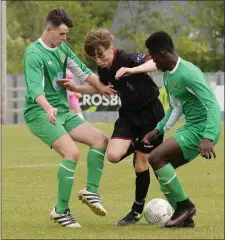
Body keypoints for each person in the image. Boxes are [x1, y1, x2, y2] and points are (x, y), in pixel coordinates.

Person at [23, 8, 117, 228]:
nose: (65, 38)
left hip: (63, 111)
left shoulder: (62, 49)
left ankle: (91, 191)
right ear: (49, 29)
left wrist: (102, 87)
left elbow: (84, 71)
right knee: (71, 153)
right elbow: (35, 89)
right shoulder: (34, 54)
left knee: (101, 140)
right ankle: (61, 210)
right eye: (62, 34)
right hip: (39, 113)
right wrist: (47, 107)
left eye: (66, 34)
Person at [118, 31, 221, 228]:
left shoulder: (188, 74)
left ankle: (185, 206)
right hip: (191, 127)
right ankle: (183, 216)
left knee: (155, 158)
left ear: (163, 53)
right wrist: (158, 129)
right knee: (162, 166)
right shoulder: (167, 75)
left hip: (202, 129)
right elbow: (176, 107)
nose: (153, 63)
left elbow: (212, 106)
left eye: (154, 57)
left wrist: (208, 137)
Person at [82, 28, 166, 226]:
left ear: (111, 48)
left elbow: (155, 63)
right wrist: (74, 88)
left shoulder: (128, 58)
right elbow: (100, 85)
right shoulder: (104, 69)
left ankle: (136, 211)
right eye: (94, 58)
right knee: (113, 156)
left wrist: (131, 70)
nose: (99, 61)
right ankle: (140, 146)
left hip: (150, 114)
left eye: (101, 55)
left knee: (140, 163)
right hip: (128, 116)